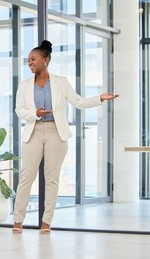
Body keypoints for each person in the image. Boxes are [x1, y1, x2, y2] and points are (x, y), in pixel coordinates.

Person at [13, 40, 119, 235]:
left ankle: (46, 222)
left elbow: (78, 101)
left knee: (52, 178)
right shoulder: (24, 85)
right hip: (33, 132)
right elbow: (19, 110)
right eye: (28, 60)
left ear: (45, 60)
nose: (30, 63)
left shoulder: (61, 82)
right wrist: (35, 113)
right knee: (26, 177)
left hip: (56, 132)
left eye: (33, 59)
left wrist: (99, 98)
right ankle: (18, 220)